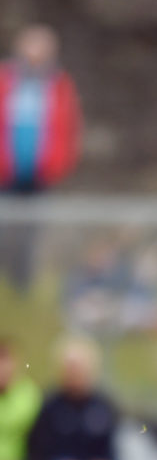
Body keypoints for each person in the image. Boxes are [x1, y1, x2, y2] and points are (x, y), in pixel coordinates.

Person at [0, 25, 81, 294]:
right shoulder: (5, 79)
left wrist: (57, 165)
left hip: (40, 175)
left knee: (31, 235)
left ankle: (22, 290)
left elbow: (69, 128)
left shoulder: (59, 84)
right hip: (5, 172)